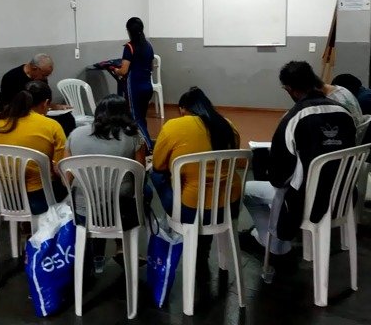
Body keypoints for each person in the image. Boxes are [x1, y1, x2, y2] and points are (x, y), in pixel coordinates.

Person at [241, 61, 356, 268]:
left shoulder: (293, 119)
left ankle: (275, 245)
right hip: (343, 197)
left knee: (246, 190)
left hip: (307, 203)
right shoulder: (344, 113)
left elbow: (279, 178)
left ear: (289, 89)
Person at [151, 86, 241, 279]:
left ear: (183, 109)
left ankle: (176, 229)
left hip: (191, 212)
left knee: (156, 175)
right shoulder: (228, 126)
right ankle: (204, 248)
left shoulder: (174, 126)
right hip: (228, 207)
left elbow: (158, 165)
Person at [64, 94, 147, 263]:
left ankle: (95, 253)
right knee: (145, 191)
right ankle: (122, 245)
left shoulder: (75, 134)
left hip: (83, 209)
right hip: (121, 211)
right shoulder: (133, 136)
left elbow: (66, 176)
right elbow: (140, 174)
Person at [0, 80, 67, 214]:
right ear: (46, 103)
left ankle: (25, 224)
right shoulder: (51, 126)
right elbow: (60, 170)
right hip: (36, 199)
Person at [0, 53, 75, 136]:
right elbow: (7, 106)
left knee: (67, 119)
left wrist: (56, 106)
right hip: (19, 116)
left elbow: (44, 100)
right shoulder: (11, 77)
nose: (45, 78)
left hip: (39, 113)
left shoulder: (42, 79)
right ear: (34, 68)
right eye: (44, 75)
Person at [112, 17, 154, 152]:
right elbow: (151, 67)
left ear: (129, 31)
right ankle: (143, 144)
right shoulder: (149, 46)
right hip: (147, 86)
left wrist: (115, 70)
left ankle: (149, 147)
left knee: (135, 119)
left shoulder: (129, 47)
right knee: (142, 117)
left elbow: (124, 71)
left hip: (135, 87)